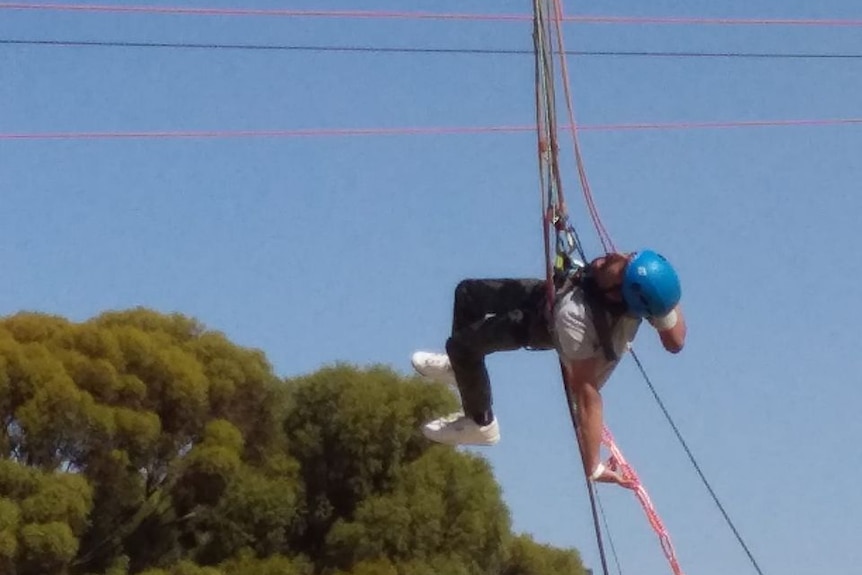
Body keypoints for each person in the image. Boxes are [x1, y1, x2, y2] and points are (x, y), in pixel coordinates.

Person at [411, 250, 687, 487]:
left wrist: (594, 467)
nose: (615, 255)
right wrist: (662, 300)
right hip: (554, 293)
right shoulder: (628, 288)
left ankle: (480, 423)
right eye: (629, 255)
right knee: (468, 293)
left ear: (620, 293)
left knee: (461, 347)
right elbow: (675, 342)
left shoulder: (577, 321)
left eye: (622, 265)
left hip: (539, 324)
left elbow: (588, 395)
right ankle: (462, 371)